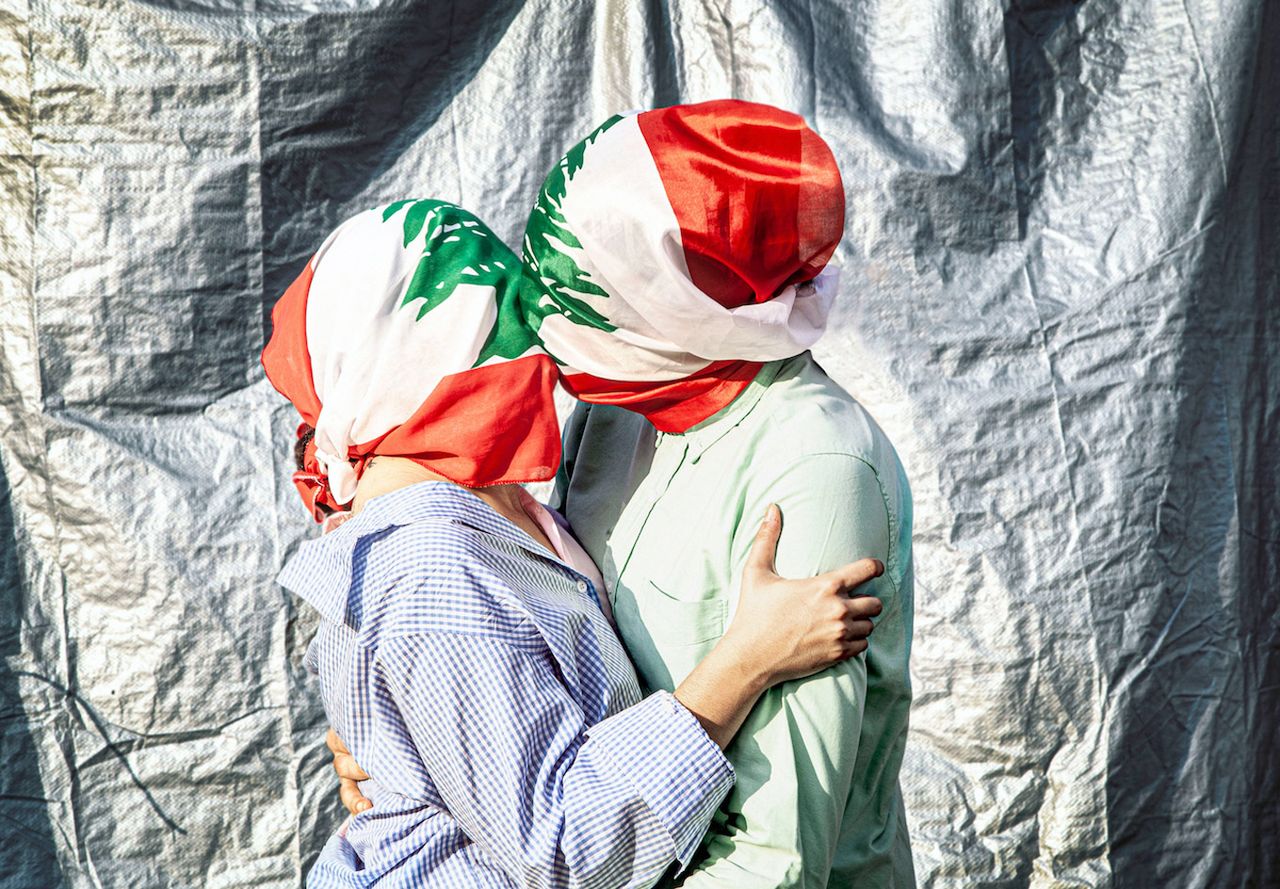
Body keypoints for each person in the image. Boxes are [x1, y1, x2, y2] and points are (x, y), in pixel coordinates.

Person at [265, 198, 888, 888]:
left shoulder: (486, 499)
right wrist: (746, 662)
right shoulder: (429, 566)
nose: (535, 339)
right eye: (498, 312)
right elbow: (562, 849)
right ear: (434, 345)